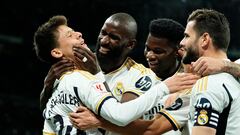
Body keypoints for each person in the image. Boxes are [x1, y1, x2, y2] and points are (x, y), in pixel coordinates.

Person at [35, 15, 189, 135]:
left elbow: (122, 115)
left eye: (114, 37)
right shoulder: (73, 74)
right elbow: (48, 113)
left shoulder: (141, 75)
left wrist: (96, 74)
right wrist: (48, 86)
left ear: (130, 45)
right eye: (103, 33)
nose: (105, 40)